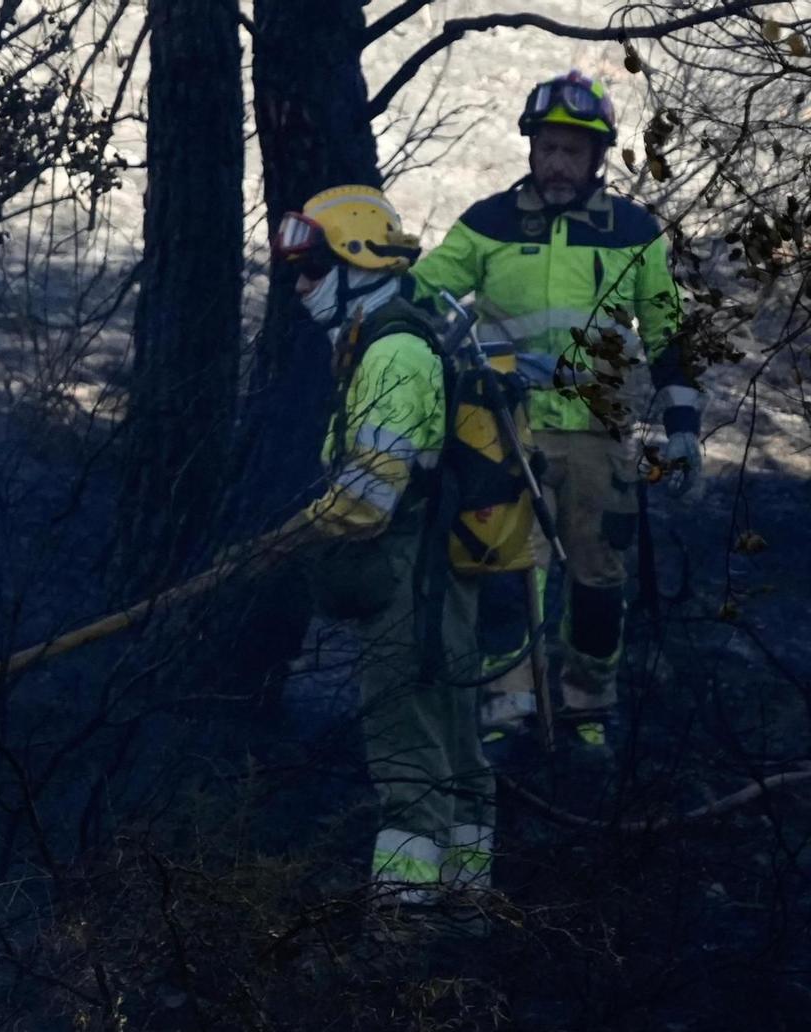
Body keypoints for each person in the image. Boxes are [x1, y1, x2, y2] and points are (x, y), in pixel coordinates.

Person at [412, 70, 703, 751]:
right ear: (530, 148)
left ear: (599, 157)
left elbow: (667, 336)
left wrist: (685, 431)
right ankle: (509, 705)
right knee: (512, 569)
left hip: (597, 438)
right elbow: (424, 299)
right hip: (502, 435)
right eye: (547, 148)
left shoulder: (633, 231)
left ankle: (586, 702)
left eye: (574, 150)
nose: (558, 163)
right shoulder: (487, 225)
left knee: (598, 576)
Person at [272, 185, 496, 916]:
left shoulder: (394, 354)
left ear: (359, 264)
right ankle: (468, 921)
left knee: (409, 762)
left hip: (409, 578)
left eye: (311, 267)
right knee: (459, 758)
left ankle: (399, 945)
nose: (300, 285)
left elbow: (367, 500)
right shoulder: (382, 344)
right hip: (436, 574)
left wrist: (288, 536)